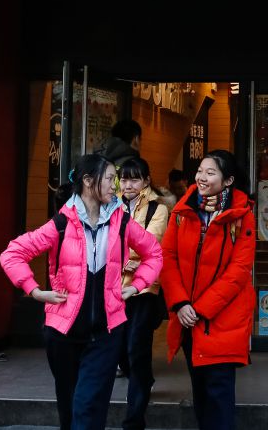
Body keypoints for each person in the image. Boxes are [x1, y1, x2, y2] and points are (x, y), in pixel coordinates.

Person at [0, 154, 163, 430]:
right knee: (69, 405)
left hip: (107, 333)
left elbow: (154, 253)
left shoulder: (121, 222)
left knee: (89, 406)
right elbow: (13, 253)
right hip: (62, 332)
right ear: (88, 181)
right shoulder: (61, 224)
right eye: (111, 179)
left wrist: (136, 285)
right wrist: (35, 290)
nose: (116, 186)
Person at [160, 150, 255, 430]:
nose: (202, 177)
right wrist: (180, 303)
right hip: (188, 317)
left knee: (219, 394)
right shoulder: (184, 208)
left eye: (210, 172)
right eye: (200, 170)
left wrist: (200, 308)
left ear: (228, 181)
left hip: (222, 319)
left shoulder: (242, 216)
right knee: (200, 392)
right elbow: (167, 257)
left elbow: (238, 272)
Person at [115, 157, 172, 430]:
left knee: (137, 345)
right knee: (119, 349)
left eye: (134, 179)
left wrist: (122, 255)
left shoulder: (158, 209)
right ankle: (143, 378)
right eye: (124, 179)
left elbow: (150, 243)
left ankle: (133, 419)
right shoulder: (109, 204)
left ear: (147, 181)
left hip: (144, 286)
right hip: (112, 288)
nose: (128, 185)